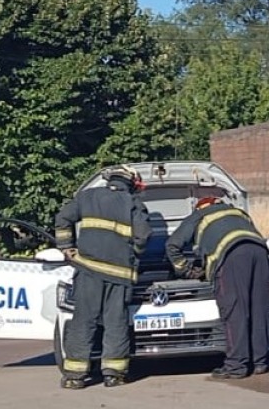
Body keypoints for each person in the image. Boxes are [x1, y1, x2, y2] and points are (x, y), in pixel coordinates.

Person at [54, 165, 152, 389]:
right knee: (115, 323)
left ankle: (74, 377)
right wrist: (133, 256)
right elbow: (143, 236)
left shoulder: (87, 196)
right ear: (131, 184)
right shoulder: (133, 203)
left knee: (83, 322)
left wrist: (67, 248)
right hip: (120, 276)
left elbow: (62, 219)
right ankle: (113, 375)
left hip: (89, 271)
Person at [166, 196, 269, 380]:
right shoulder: (238, 213)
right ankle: (260, 362)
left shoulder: (200, 215)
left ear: (201, 206)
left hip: (231, 257)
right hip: (261, 253)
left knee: (234, 311)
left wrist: (187, 271)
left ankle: (236, 366)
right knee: (259, 310)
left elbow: (172, 245)